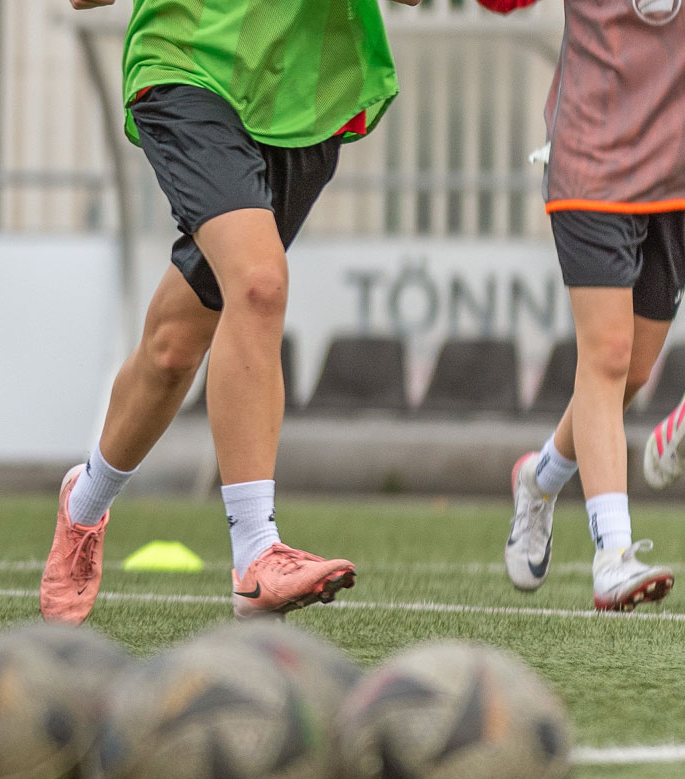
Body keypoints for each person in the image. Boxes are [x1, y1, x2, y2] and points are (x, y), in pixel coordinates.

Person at [41, 0, 408, 623]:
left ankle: (85, 503)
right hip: (187, 67)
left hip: (306, 97)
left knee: (174, 347)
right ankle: (256, 555)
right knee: (260, 284)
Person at [492, 0, 679, 611]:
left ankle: (539, 480)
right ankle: (613, 558)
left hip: (674, 171)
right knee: (608, 353)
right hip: (591, 160)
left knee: (633, 373)